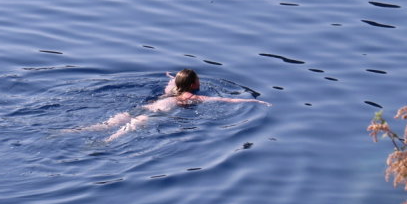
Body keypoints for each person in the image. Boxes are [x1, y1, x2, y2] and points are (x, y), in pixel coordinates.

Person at [76, 69, 270, 142]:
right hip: (159, 112)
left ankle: (71, 131)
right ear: (194, 84)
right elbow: (225, 100)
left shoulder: (172, 89)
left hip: (150, 105)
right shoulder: (189, 96)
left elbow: (171, 80)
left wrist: (170, 76)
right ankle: (106, 142)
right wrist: (253, 100)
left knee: (108, 124)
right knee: (125, 131)